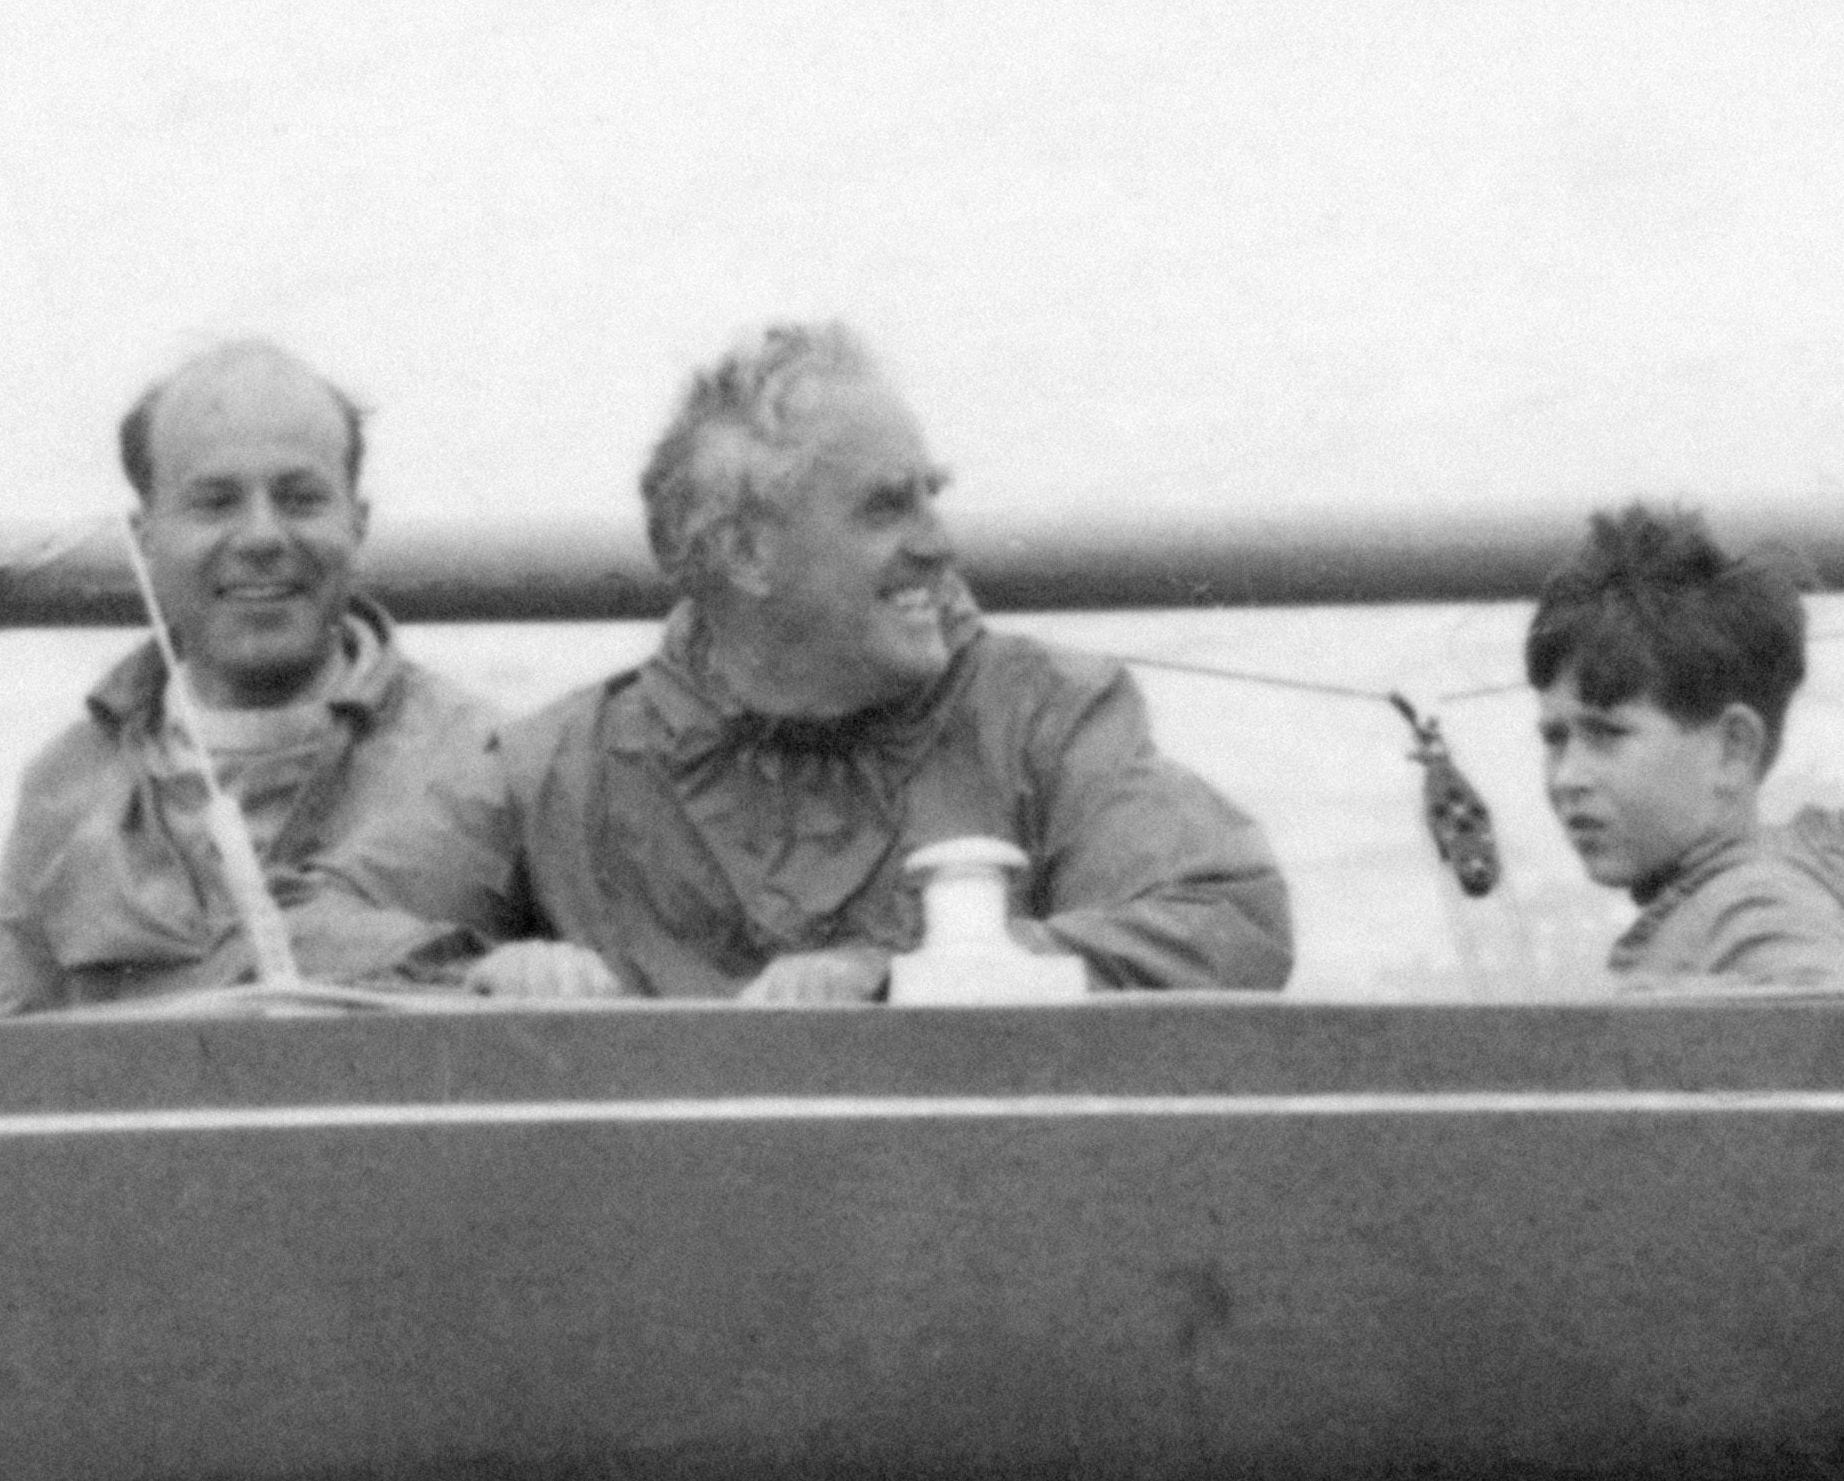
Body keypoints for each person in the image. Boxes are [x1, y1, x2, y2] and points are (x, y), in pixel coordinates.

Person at [314, 322, 1292, 999]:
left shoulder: (1049, 715)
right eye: (884, 508)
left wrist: (920, 975)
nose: (938, 543)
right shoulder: (559, 766)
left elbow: (1228, 918)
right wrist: (477, 973)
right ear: (746, 553)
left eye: (929, 495)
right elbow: (301, 927)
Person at [0, 341, 494, 1015]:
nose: (262, 535)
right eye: (215, 502)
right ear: (145, 537)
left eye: (301, 499)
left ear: (358, 525)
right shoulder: (68, 784)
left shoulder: (485, 759)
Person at [1529, 504, 1844, 990]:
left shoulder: (1750, 914)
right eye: (1554, 738)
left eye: (1607, 734)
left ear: (1733, 750)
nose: (1567, 778)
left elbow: (1841, 1050)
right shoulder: (1725, 908)